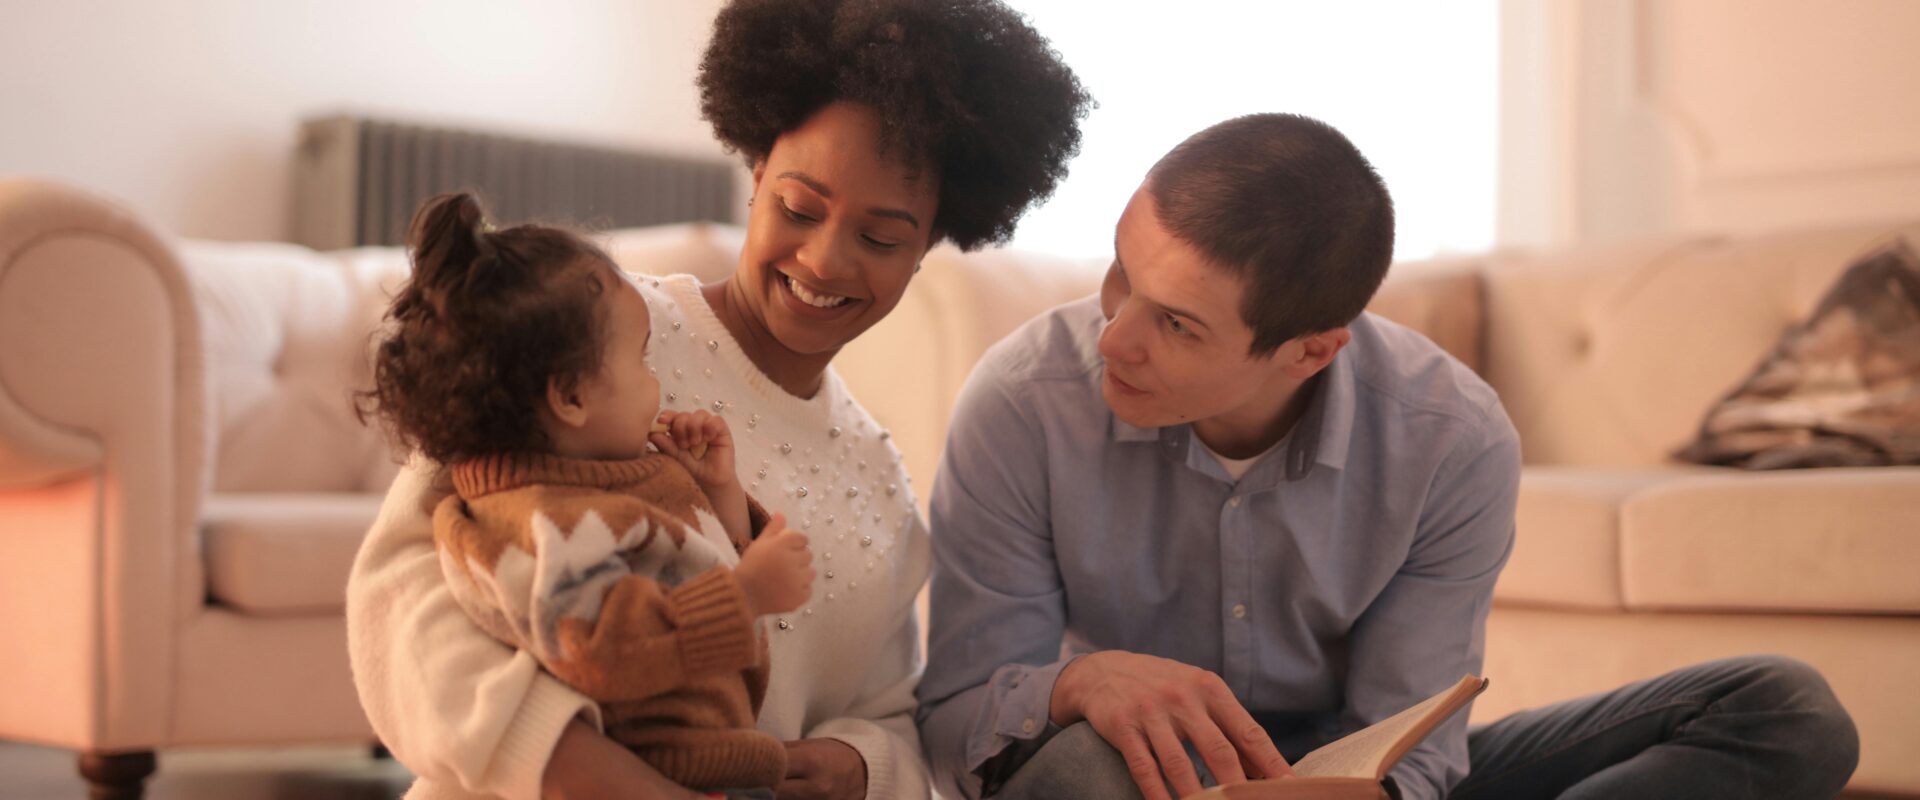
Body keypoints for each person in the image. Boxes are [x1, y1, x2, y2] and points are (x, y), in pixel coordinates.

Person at [916, 113, 1860, 800]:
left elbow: (1410, 741)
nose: (1114, 337)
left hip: (1345, 783)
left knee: (1785, 710)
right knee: (1088, 769)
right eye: (1122, 274)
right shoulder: (1024, 403)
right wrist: (1077, 683)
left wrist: (1371, 793)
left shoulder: (1451, 439)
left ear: (1309, 352)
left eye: (1176, 324)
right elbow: (955, 721)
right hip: (1143, 778)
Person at [344, 1, 1091, 798]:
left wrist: (860, 766)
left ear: (928, 245)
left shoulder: (880, 485)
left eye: (880, 238)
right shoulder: (582, 331)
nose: (824, 260)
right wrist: (581, 771)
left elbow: (891, 717)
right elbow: (400, 590)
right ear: (757, 171)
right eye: (799, 209)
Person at [356, 192, 818, 799]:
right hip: (651, 773)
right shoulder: (531, 521)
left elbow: (694, 566)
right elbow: (598, 649)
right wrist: (746, 594)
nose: (657, 380)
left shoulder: (614, 472)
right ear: (571, 397)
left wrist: (719, 491)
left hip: (713, 764)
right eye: (642, 359)